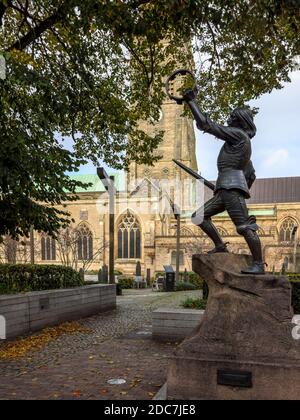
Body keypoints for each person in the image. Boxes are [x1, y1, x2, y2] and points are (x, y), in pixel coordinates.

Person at [182, 89, 265, 275]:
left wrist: (191, 101)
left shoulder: (238, 135)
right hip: (227, 189)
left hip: (230, 189)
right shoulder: (242, 145)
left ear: (239, 121)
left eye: (232, 116)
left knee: (244, 226)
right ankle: (220, 245)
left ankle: (258, 263)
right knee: (199, 216)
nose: (229, 118)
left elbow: (205, 124)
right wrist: (233, 188)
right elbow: (250, 175)